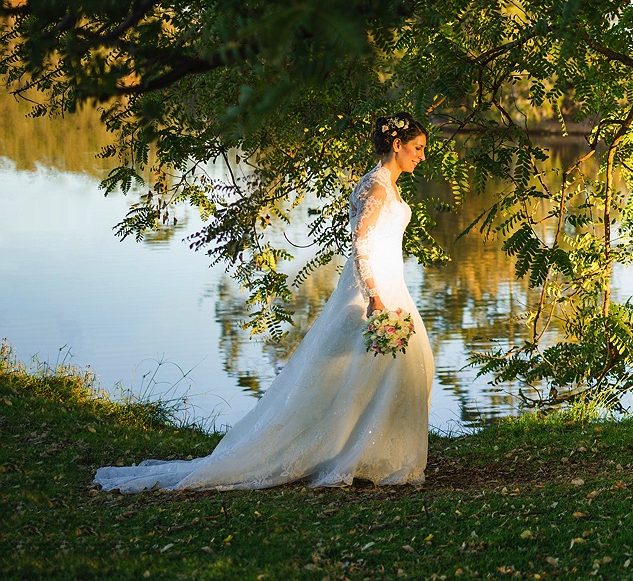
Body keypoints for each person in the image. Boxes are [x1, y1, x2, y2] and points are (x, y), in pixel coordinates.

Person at [94, 113, 435, 492]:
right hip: (374, 290)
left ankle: (372, 453)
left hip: (391, 283)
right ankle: (345, 453)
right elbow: (360, 244)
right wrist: (374, 297)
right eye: (417, 148)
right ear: (396, 145)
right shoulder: (374, 188)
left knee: (398, 368)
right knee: (380, 368)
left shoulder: (388, 185)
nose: (421, 156)